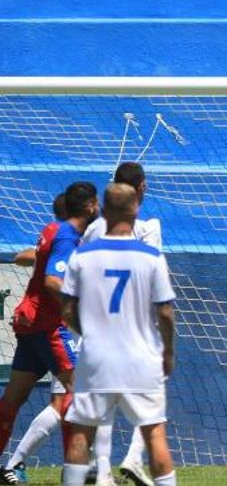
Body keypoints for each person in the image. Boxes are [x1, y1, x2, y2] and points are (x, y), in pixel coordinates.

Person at [60, 183, 177, 486]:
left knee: (81, 433)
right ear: (136, 209)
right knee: (154, 434)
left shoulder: (83, 256)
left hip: (97, 358)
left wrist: (92, 333)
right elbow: (165, 312)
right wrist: (168, 351)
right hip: (141, 357)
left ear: (103, 210)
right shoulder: (151, 257)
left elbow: (68, 309)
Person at [0, 182, 98, 485]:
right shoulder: (67, 235)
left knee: (14, 397)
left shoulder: (53, 230)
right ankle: (74, 473)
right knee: (78, 394)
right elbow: (54, 281)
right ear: (89, 206)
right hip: (48, 325)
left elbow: (31, 257)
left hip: (29, 322)